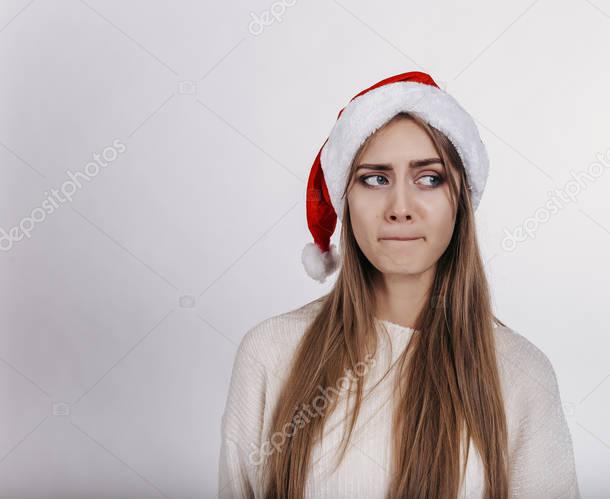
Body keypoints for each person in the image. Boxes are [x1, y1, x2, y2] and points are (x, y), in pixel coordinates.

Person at [216, 71, 580, 498]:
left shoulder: (521, 374)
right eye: (375, 179)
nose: (400, 208)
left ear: (460, 199)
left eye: (429, 178)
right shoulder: (271, 352)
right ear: (345, 198)